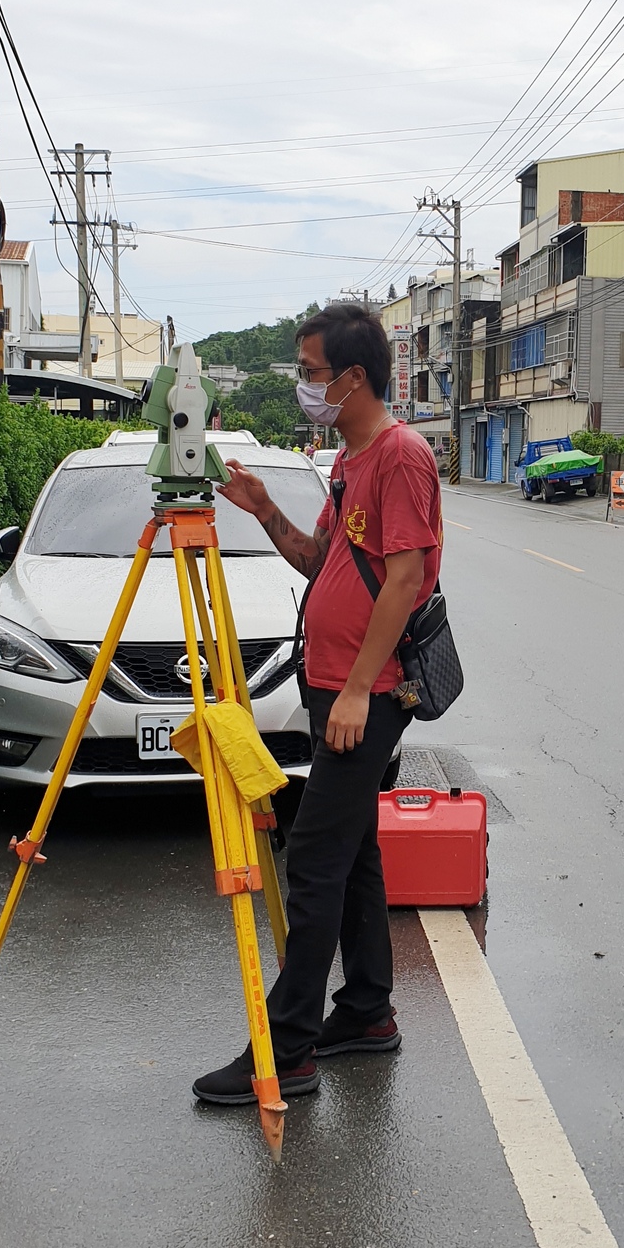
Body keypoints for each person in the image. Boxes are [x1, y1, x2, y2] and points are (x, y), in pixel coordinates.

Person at [193, 304, 442, 1104]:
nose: (303, 386)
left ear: (353, 377)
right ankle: (367, 1012)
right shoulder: (350, 460)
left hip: (363, 692)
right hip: (335, 682)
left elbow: (404, 579)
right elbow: (319, 558)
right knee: (355, 853)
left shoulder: (401, 456)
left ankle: (290, 1046)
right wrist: (263, 507)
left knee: (314, 861)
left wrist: (362, 689)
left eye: (308, 372)